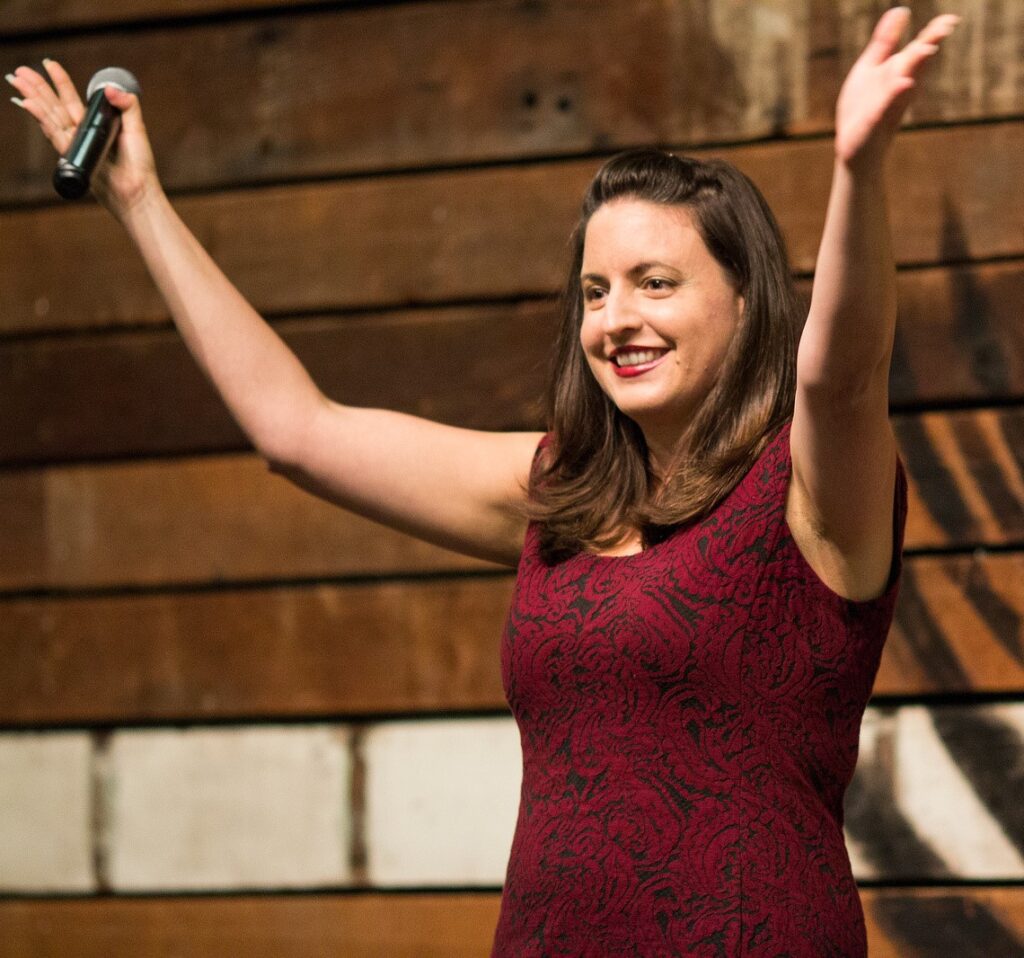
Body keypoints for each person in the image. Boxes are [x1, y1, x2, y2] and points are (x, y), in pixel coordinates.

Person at [8, 7, 960, 955]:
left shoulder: (809, 492)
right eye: (595, 291)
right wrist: (138, 201)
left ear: (746, 299)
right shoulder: (559, 490)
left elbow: (843, 372)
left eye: (655, 282)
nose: (615, 319)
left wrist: (857, 168)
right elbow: (296, 432)